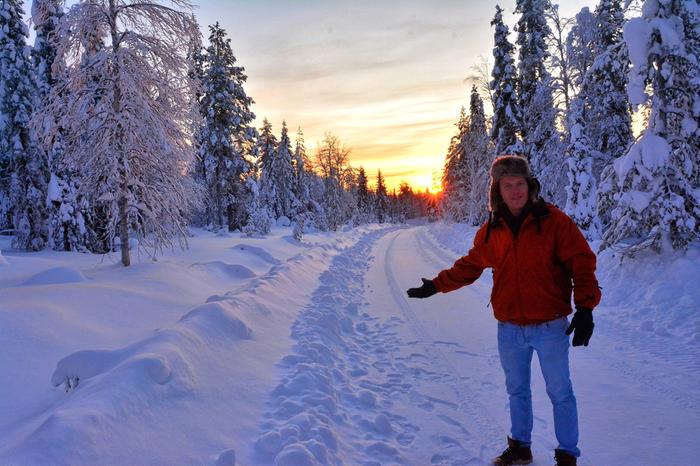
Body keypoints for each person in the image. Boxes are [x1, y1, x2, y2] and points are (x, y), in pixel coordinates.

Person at [407, 155, 600, 466]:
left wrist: (586, 308)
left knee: (560, 392)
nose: (514, 191)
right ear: (497, 190)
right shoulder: (491, 229)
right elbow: (470, 266)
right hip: (509, 328)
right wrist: (435, 286)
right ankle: (520, 446)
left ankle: (567, 455)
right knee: (517, 390)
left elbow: (582, 261)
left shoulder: (555, 222)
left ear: (529, 185)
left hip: (550, 326)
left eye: (519, 184)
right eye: (507, 185)